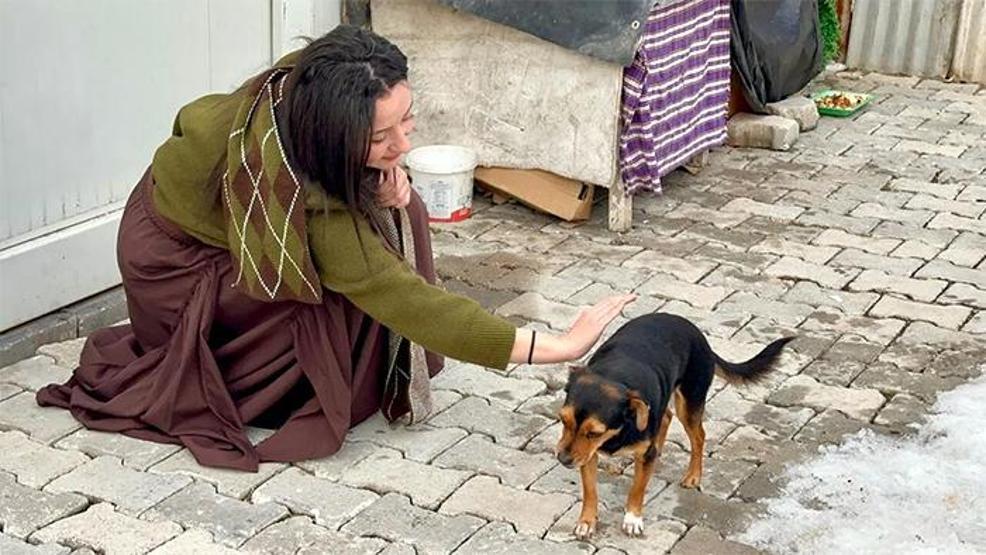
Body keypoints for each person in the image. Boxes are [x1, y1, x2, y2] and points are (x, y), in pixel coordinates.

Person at [36, 25, 635, 471]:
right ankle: (270, 384)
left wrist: (379, 172)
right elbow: (409, 301)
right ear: (331, 138)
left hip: (230, 214)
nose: (403, 143)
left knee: (404, 207)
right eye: (380, 137)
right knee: (331, 294)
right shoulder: (309, 203)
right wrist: (553, 347)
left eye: (406, 120)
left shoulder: (306, 79)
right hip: (173, 261)